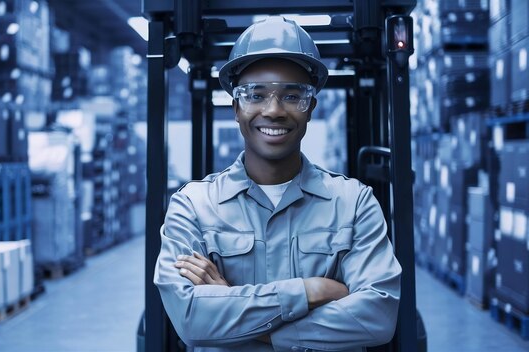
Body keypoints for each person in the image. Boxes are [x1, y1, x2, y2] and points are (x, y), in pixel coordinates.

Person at [154, 16, 402, 352]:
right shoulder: (194, 206)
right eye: (255, 95)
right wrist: (312, 291)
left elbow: (378, 317)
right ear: (236, 108)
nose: (273, 110)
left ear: (310, 107)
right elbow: (191, 320)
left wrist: (232, 309)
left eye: (292, 95)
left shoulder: (354, 203)